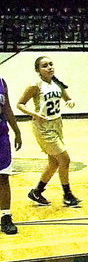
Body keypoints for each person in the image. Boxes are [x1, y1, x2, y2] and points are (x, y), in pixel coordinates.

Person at [17, 56, 81, 207]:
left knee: (53, 162)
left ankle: (36, 192)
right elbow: (20, 104)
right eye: (45, 66)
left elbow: (67, 98)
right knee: (65, 159)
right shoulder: (35, 85)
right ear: (38, 70)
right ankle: (67, 194)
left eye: (51, 64)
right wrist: (34, 114)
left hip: (57, 123)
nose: (50, 67)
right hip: (43, 126)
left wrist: (70, 101)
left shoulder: (57, 83)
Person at [0, 77, 22, 234]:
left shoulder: (1, 81)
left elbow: (6, 107)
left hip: (1, 136)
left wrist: (17, 130)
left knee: (3, 177)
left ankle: (5, 217)